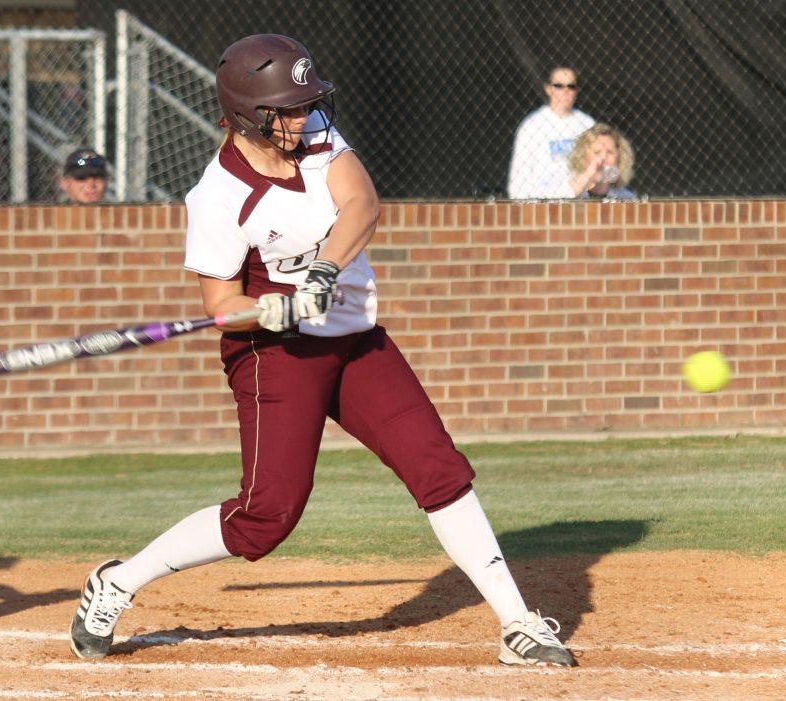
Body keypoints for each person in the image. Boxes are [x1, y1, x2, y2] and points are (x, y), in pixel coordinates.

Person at [68, 34, 576, 668]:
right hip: (275, 354)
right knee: (266, 519)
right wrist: (269, 311)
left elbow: (362, 203)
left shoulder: (316, 137)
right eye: (285, 108)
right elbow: (221, 307)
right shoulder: (218, 197)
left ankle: (517, 622)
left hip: (355, 338)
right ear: (248, 114)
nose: (301, 116)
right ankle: (117, 582)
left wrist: (323, 272)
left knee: (437, 467)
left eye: (304, 103)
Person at [506, 66, 594, 199]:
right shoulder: (532, 125)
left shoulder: (587, 124)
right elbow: (517, 184)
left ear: (577, 90)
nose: (565, 91)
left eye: (571, 86)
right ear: (548, 89)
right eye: (559, 86)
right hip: (543, 203)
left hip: (580, 202)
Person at [562, 123, 636, 200]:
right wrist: (588, 175)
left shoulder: (626, 197)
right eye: (597, 152)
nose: (603, 157)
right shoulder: (566, 189)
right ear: (583, 158)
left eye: (610, 152)